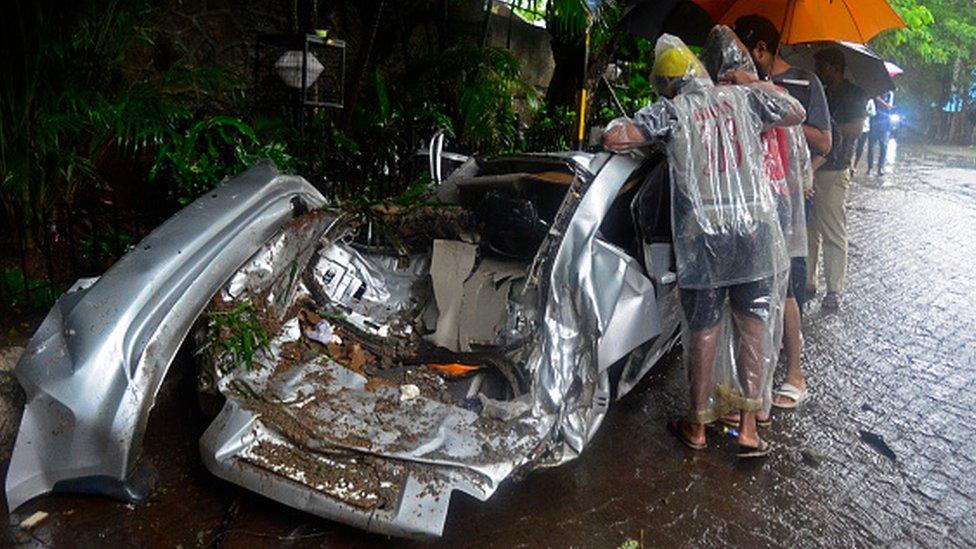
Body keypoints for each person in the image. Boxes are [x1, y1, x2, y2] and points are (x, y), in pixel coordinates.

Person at [603, 33, 805, 458]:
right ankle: (748, 430)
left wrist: (632, 122)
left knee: (704, 330)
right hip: (754, 232)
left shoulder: (672, 111)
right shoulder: (744, 101)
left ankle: (697, 424)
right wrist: (750, 81)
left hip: (706, 237)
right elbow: (795, 111)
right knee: (753, 326)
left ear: (669, 84)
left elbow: (617, 138)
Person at [734, 14, 831, 408]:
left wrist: (767, 97)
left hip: (790, 199)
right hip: (750, 198)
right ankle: (752, 372)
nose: (737, 63)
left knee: (788, 285)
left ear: (760, 49)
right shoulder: (737, 86)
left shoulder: (806, 83)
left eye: (743, 53)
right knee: (751, 286)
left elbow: (824, 140)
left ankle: (796, 374)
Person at [809, 47, 867, 313]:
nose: (817, 70)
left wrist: (828, 129)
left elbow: (856, 129)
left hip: (835, 168)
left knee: (832, 230)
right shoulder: (817, 89)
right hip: (811, 167)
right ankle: (809, 281)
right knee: (809, 229)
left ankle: (834, 290)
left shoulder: (854, 93)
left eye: (820, 65)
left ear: (832, 67)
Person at [867, 90, 895, 175]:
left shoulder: (890, 94)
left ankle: (880, 168)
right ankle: (870, 168)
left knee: (883, 147)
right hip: (874, 122)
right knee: (871, 147)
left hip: (885, 124)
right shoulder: (875, 92)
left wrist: (879, 100)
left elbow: (889, 106)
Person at [853, 99, 876, 175]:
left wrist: (865, 112)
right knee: (851, 146)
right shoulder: (856, 98)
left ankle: (854, 166)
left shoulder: (870, 101)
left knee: (860, 148)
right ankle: (849, 164)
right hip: (853, 126)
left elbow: (873, 113)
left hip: (865, 128)